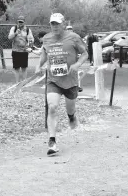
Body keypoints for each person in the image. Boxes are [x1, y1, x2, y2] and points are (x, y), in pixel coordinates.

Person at [35, 13, 88, 156]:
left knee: (70, 108)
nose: (55, 26)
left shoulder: (73, 37)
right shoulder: (46, 38)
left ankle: (71, 116)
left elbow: (85, 54)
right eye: (53, 24)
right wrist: (39, 66)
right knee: (52, 107)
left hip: (70, 81)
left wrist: (77, 64)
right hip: (53, 80)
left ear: (63, 24)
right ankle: (52, 142)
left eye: (58, 24)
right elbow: (44, 54)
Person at [8, 15, 34, 83]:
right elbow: (9, 37)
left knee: (24, 68)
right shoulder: (14, 28)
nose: (20, 23)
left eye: (22, 22)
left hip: (24, 51)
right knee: (16, 68)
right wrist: (15, 33)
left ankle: (23, 83)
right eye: (19, 22)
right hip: (15, 51)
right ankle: (17, 83)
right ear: (17, 22)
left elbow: (31, 39)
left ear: (24, 22)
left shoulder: (28, 30)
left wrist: (30, 46)